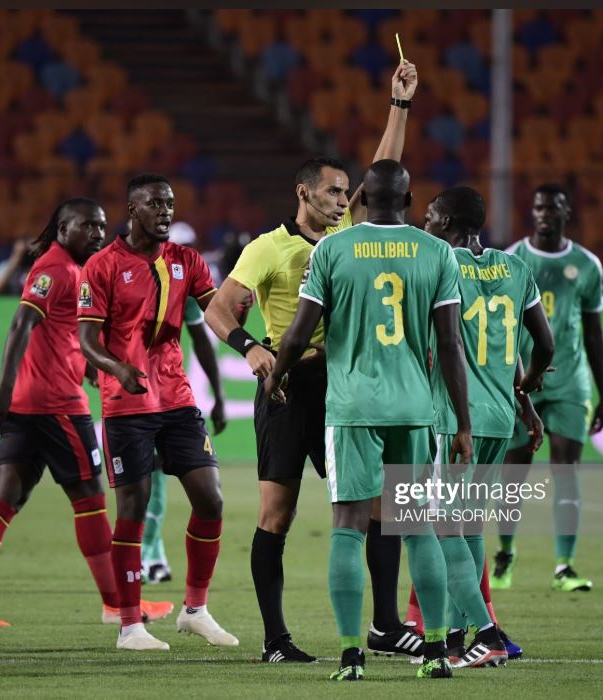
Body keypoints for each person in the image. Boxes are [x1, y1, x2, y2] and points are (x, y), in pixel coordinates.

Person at [204, 61, 420, 663]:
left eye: (344, 193)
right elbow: (219, 310)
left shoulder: (348, 231)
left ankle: (381, 627)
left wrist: (398, 105)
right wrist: (250, 347)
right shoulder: (268, 249)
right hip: (288, 387)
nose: (341, 199)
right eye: (331, 190)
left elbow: (382, 170)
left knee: (376, 504)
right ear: (303, 193)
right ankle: (276, 640)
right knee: (278, 512)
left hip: (345, 388)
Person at [265, 160, 471, 680]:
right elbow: (449, 345)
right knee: (417, 526)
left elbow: (297, 333)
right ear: (407, 202)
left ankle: (353, 656)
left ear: (362, 200)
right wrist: (462, 423)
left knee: (349, 526)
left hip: (353, 408)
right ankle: (435, 650)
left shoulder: (333, 248)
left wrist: (276, 376)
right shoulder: (437, 251)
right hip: (413, 408)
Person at [0, 198, 172, 627]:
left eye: (102, 227)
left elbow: (57, 332)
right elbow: (20, 323)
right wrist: (3, 388)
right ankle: (120, 606)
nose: (99, 235)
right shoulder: (57, 269)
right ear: (63, 229)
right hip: (56, 407)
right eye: (88, 226)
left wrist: (83, 365)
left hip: (32, 404)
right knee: (91, 503)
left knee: (4, 497)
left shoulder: (72, 268)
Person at [78, 174, 237, 652]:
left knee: (211, 499)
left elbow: (216, 316)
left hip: (177, 399)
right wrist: (115, 369)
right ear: (132, 207)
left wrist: (241, 311)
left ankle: (195, 610)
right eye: (156, 204)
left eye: (170, 204)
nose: (166, 211)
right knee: (133, 511)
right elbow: (87, 340)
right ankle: (130, 625)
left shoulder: (186, 262)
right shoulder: (102, 266)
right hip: (126, 404)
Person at [421, 185, 555, 666]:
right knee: (470, 528)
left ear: (450, 222)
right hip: (500, 418)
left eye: (432, 215)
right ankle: (458, 637)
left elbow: (447, 342)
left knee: (440, 526)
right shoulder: (516, 268)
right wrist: (528, 393)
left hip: (457, 417)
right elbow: (543, 343)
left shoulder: (439, 263)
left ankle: (489, 632)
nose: (425, 221)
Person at [493, 184, 603, 593]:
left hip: (570, 383)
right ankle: (505, 551)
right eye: (539, 206)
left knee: (566, 471)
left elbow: (594, 334)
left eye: (552, 208)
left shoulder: (587, 265)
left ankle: (565, 565)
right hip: (520, 382)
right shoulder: (511, 260)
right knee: (513, 475)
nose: (545, 213)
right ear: (532, 212)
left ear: (566, 213)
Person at [142, 224, 227, 585]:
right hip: (411, 413)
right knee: (397, 519)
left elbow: (203, 337)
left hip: (415, 418)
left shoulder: (185, 280)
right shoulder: (420, 256)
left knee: (402, 521)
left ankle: (411, 617)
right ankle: (146, 559)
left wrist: (219, 394)